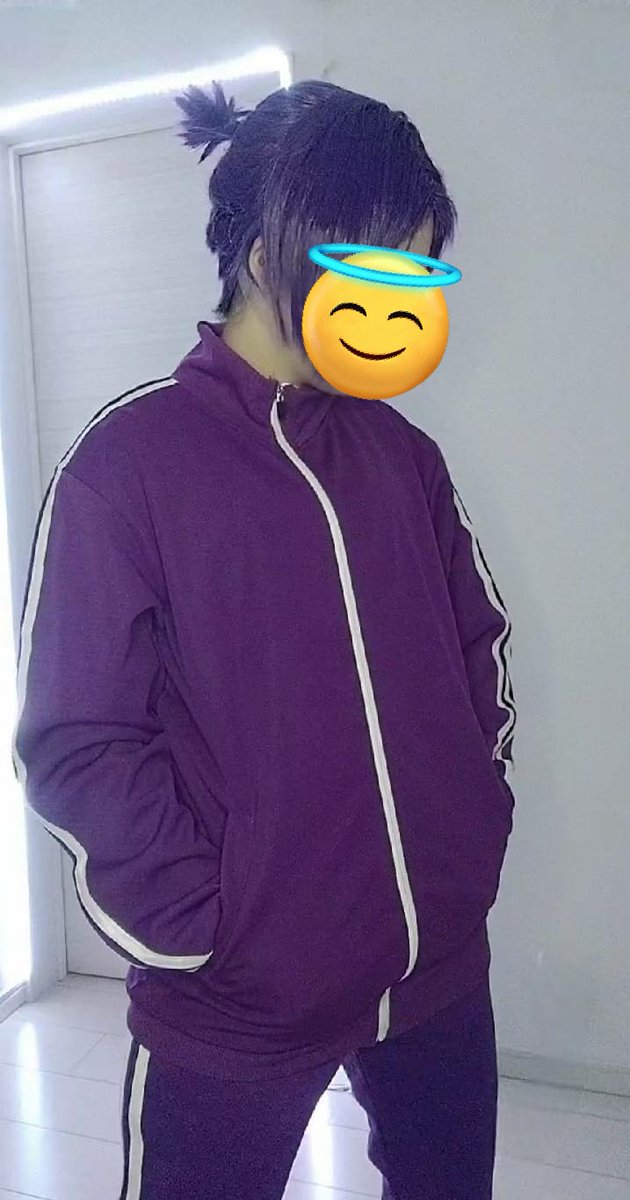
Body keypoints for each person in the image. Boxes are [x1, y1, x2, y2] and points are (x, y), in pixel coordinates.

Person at [11, 78, 517, 1200]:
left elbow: (479, 646)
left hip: (437, 976)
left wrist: (470, 827)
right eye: (376, 276)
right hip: (236, 1009)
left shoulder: (402, 457)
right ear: (261, 255)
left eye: (417, 277)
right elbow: (77, 738)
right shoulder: (128, 467)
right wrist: (210, 930)